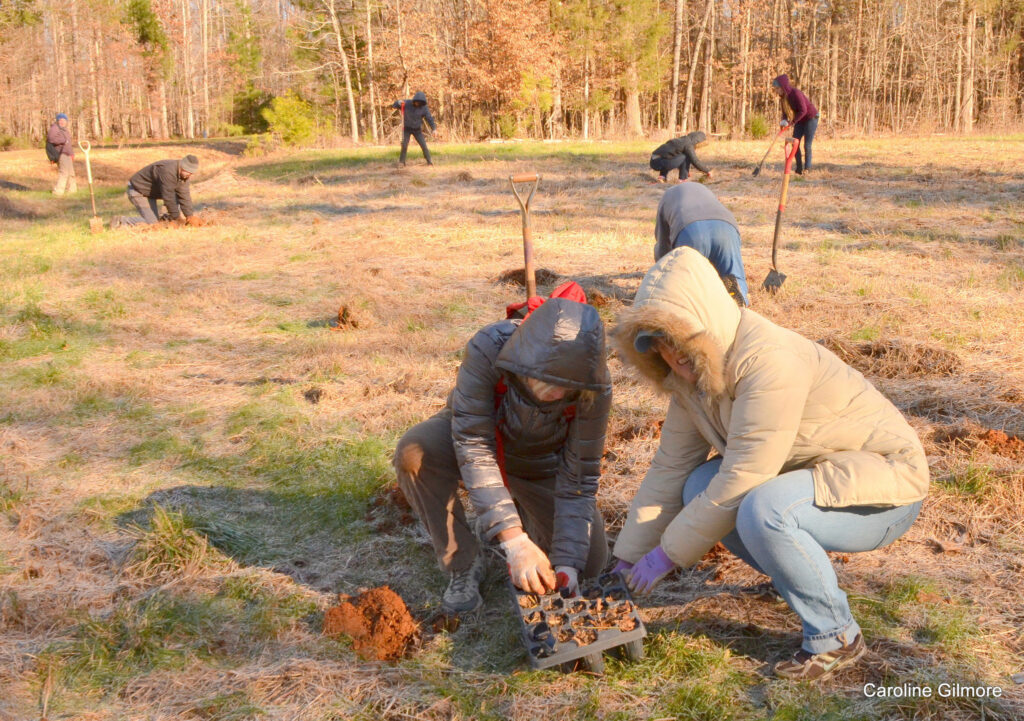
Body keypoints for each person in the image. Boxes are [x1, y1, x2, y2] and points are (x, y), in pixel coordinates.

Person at [609, 247, 929, 680]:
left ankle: (836, 635)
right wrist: (628, 557)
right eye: (659, 344)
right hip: (811, 478)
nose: (672, 355)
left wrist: (668, 554)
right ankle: (798, 580)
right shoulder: (692, 381)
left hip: (884, 488)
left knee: (763, 507)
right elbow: (669, 468)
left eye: (679, 339)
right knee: (696, 486)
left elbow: (747, 473)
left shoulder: (768, 360)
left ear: (707, 324)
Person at [393, 296, 612, 614]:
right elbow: (473, 444)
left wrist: (569, 562)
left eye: (569, 388)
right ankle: (463, 561)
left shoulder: (594, 386)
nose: (559, 395)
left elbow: (579, 476)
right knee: (414, 453)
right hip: (481, 438)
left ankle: (520, 515)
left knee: (590, 561)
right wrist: (514, 542)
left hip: (539, 461)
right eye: (550, 382)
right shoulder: (488, 348)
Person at [654, 182, 749, 306]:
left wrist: (663, 273)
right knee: (733, 274)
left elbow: (663, 247)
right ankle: (739, 305)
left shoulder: (666, 198)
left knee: (687, 284)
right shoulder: (704, 189)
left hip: (690, 230)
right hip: (726, 226)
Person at [111, 155, 199, 228]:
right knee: (152, 224)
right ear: (182, 167)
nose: (190, 175)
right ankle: (121, 221)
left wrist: (189, 216)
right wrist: (177, 218)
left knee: (177, 198)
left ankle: (166, 218)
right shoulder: (167, 171)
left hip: (151, 193)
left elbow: (184, 195)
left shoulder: (184, 176)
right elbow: (168, 197)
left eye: (192, 173)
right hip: (138, 191)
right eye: (189, 172)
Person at [772, 74, 818, 175]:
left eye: (777, 88)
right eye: (775, 89)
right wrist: (784, 121)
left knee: (807, 145)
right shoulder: (783, 98)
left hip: (811, 118)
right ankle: (799, 169)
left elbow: (803, 110)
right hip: (800, 120)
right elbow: (784, 112)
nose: (776, 91)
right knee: (795, 143)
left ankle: (807, 169)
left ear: (783, 86)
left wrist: (792, 122)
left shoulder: (796, 93)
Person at [391, 91, 437, 167]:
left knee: (424, 145)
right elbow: (394, 105)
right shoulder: (407, 103)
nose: (417, 104)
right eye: (416, 102)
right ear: (414, 100)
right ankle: (402, 162)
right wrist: (398, 102)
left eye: (419, 103)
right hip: (406, 129)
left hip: (417, 130)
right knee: (404, 145)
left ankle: (429, 162)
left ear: (422, 103)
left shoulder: (424, 108)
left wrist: (434, 129)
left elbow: (429, 119)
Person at [47, 113, 77, 196]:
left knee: (71, 173)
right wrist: (63, 140)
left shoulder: (65, 130)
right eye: (61, 120)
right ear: (57, 121)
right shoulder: (54, 128)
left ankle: (72, 190)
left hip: (67, 153)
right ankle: (58, 191)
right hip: (61, 153)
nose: (62, 122)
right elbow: (51, 139)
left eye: (64, 120)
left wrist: (72, 154)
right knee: (64, 172)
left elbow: (68, 144)